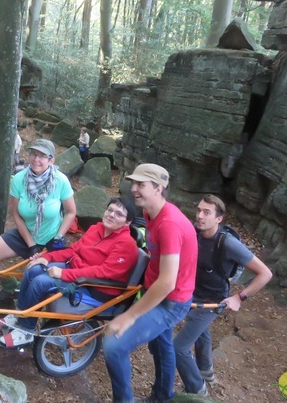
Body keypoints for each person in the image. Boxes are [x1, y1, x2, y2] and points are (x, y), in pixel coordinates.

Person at [103, 163, 198, 403]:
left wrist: (130, 315)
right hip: (155, 291)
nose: (133, 189)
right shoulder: (149, 214)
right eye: (133, 183)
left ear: (158, 188)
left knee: (114, 346)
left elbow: (167, 282)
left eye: (140, 185)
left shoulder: (169, 224)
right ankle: (164, 396)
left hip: (170, 300)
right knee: (161, 345)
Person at [0, 198, 139, 347]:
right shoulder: (96, 229)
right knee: (34, 268)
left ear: (127, 222)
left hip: (95, 288)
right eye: (110, 210)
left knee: (40, 282)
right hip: (77, 271)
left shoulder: (126, 244)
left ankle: (26, 330)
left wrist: (63, 274)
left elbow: (103, 272)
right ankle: (20, 313)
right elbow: (73, 250)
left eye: (119, 214)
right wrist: (46, 258)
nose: (111, 215)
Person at [174, 195, 272, 396]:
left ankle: (197, 390)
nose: (200, 216)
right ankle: (206, 370)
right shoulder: (195, 232)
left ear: (219, 219)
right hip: (191, 293)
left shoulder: (227, 243)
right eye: (199, 210)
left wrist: (239, 297)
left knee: (178, 348)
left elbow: (265, 273)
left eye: (206, 212)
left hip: (212, 301)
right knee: (199, 330)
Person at [0, 139, 77, 302]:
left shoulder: (61, 181)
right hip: (26, 234)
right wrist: (31, 245)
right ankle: (12, 287)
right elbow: (16, 214)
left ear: (51, 160)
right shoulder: (19, 179)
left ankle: (36, 312)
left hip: (52, 238)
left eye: (42, 156)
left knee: (41, 277)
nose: (36, 159)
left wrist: (58, 237)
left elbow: (71, 212)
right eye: (34, 154)